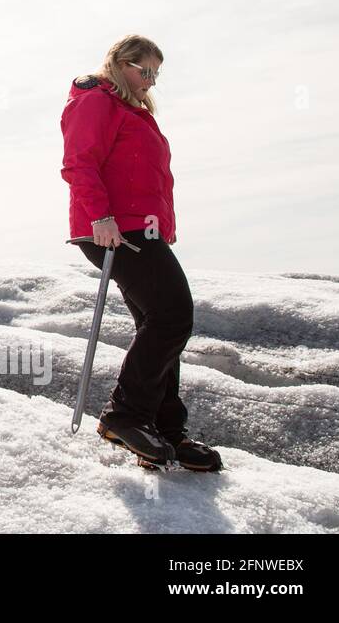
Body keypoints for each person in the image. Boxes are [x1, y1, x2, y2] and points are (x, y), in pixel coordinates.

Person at [60, 34, 221, 471]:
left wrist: (162, 228)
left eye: (154, 73)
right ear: (118, 63)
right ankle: (125, 416)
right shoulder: (97, 100)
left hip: (139, 229)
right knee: (172, 316)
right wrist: (100, 217)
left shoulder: (132, 110)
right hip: (114, 229)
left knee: (158, 322)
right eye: (141, 69)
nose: (148, 80)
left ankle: (166, 431)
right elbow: (79, 163)